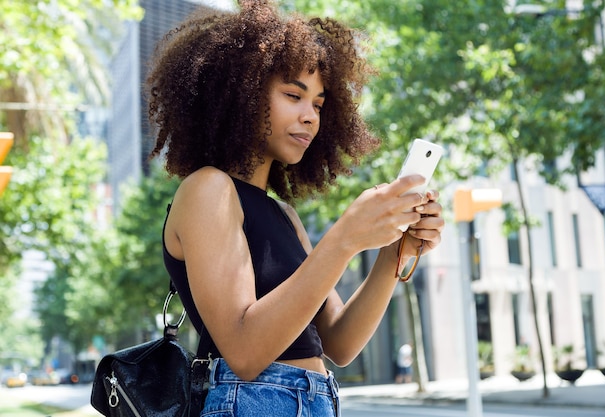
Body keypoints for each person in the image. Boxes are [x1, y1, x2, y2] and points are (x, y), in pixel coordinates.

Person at [145, 1, 444, 416]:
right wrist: (343, 238)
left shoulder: (284, 215)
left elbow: (339, 343)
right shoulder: (207, 189)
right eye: (293, 95)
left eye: (319, 105)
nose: (310, 117)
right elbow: (245, 353)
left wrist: (395, 252)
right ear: (242, 93)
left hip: (316, 400)